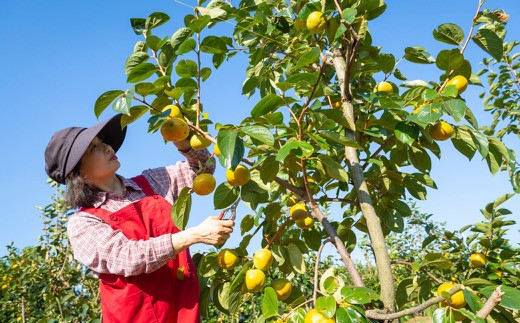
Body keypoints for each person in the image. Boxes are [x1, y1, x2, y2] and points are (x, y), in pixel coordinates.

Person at [44, 114, 234, 322]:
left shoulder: (152, 182)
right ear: (77, 172)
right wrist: (194, 235)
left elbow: (203, 169)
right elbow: (128, 257)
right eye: (94, 148)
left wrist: (180, 136)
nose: (108, 148)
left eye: (103, 142)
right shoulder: (83, 223)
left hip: (183, 313)